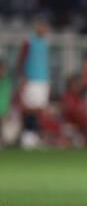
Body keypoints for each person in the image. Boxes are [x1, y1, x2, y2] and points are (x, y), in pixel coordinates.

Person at [16, 18, 51, 148]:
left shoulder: (45, 44)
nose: (44, 30)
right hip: (31, 79)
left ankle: (35, 134)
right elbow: (21, 59)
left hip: (42, 80)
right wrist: (22, 76)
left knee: (40, 108)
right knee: (29, 108)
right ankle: (27, 134)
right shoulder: (29, 42)